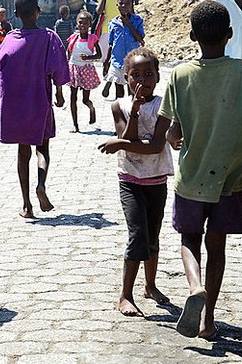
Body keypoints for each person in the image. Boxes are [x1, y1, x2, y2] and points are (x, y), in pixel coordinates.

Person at [159, 0, 242, 340]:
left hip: (191, 176)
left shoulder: (179, 74)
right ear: (231, 34)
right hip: (229, 177)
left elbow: (173, 132)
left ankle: (194, 286)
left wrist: (175, 136)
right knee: (216, 248)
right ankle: (208, 320)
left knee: (189, 239)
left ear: (192, 36)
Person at [98, 47, 174, 317]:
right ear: (126, 78)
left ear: (158, 76)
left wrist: (119, 143)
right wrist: (135, 113)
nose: (142, 80)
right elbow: (129, 141)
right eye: (135, 75)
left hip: (156, 180)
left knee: (152, 236)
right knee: (137, 235)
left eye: (148, 74)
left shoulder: (164, 105)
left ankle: (150, 285)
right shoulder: (119, 105)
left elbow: (155, 147)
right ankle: (125, 295)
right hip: (130, 180)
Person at [0, 0, 70, 219]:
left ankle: (27, 205)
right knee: (43, 149)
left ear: (16, 15)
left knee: (22, 152)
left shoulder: (10, 39)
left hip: (16, 104)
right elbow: (58, 67)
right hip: (40, 101)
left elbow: (0, 64)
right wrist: (58, 91)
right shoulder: (49, 37)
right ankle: (41, 185)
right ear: (38, 11)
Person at [103, 0, 145, 100]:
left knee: (131, 90)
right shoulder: (113, 23)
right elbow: (111, 44)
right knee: (119, 93)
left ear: (132, 6)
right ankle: (120, 114)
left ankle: (131, 114)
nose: (123, 6)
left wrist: (128, 23)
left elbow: (140, 39)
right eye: (121, 4)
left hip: (132, 62)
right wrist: (107, 61)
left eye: (127, 4)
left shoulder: (137, 20)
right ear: (117, 5)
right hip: (117, 61)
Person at [66, 11, 102, 132]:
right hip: (74, 68)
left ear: (90, 24)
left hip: (87, 69)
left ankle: (91, 108)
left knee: (85, 99)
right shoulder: (73, 38)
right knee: (73, 97)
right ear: (77, 23)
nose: (83, 25)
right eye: (80, 22)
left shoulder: (93, 38)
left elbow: (99, 54)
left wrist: (88, 58)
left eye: (85, 23)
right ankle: (75, 125)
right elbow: (68, 52)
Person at [96, 0, 126, 102]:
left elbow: (98, 10)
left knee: (107, 57)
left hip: (106, 29)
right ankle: (114, 79)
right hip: (122, 28)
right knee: (119, 57)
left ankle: (108, 77)